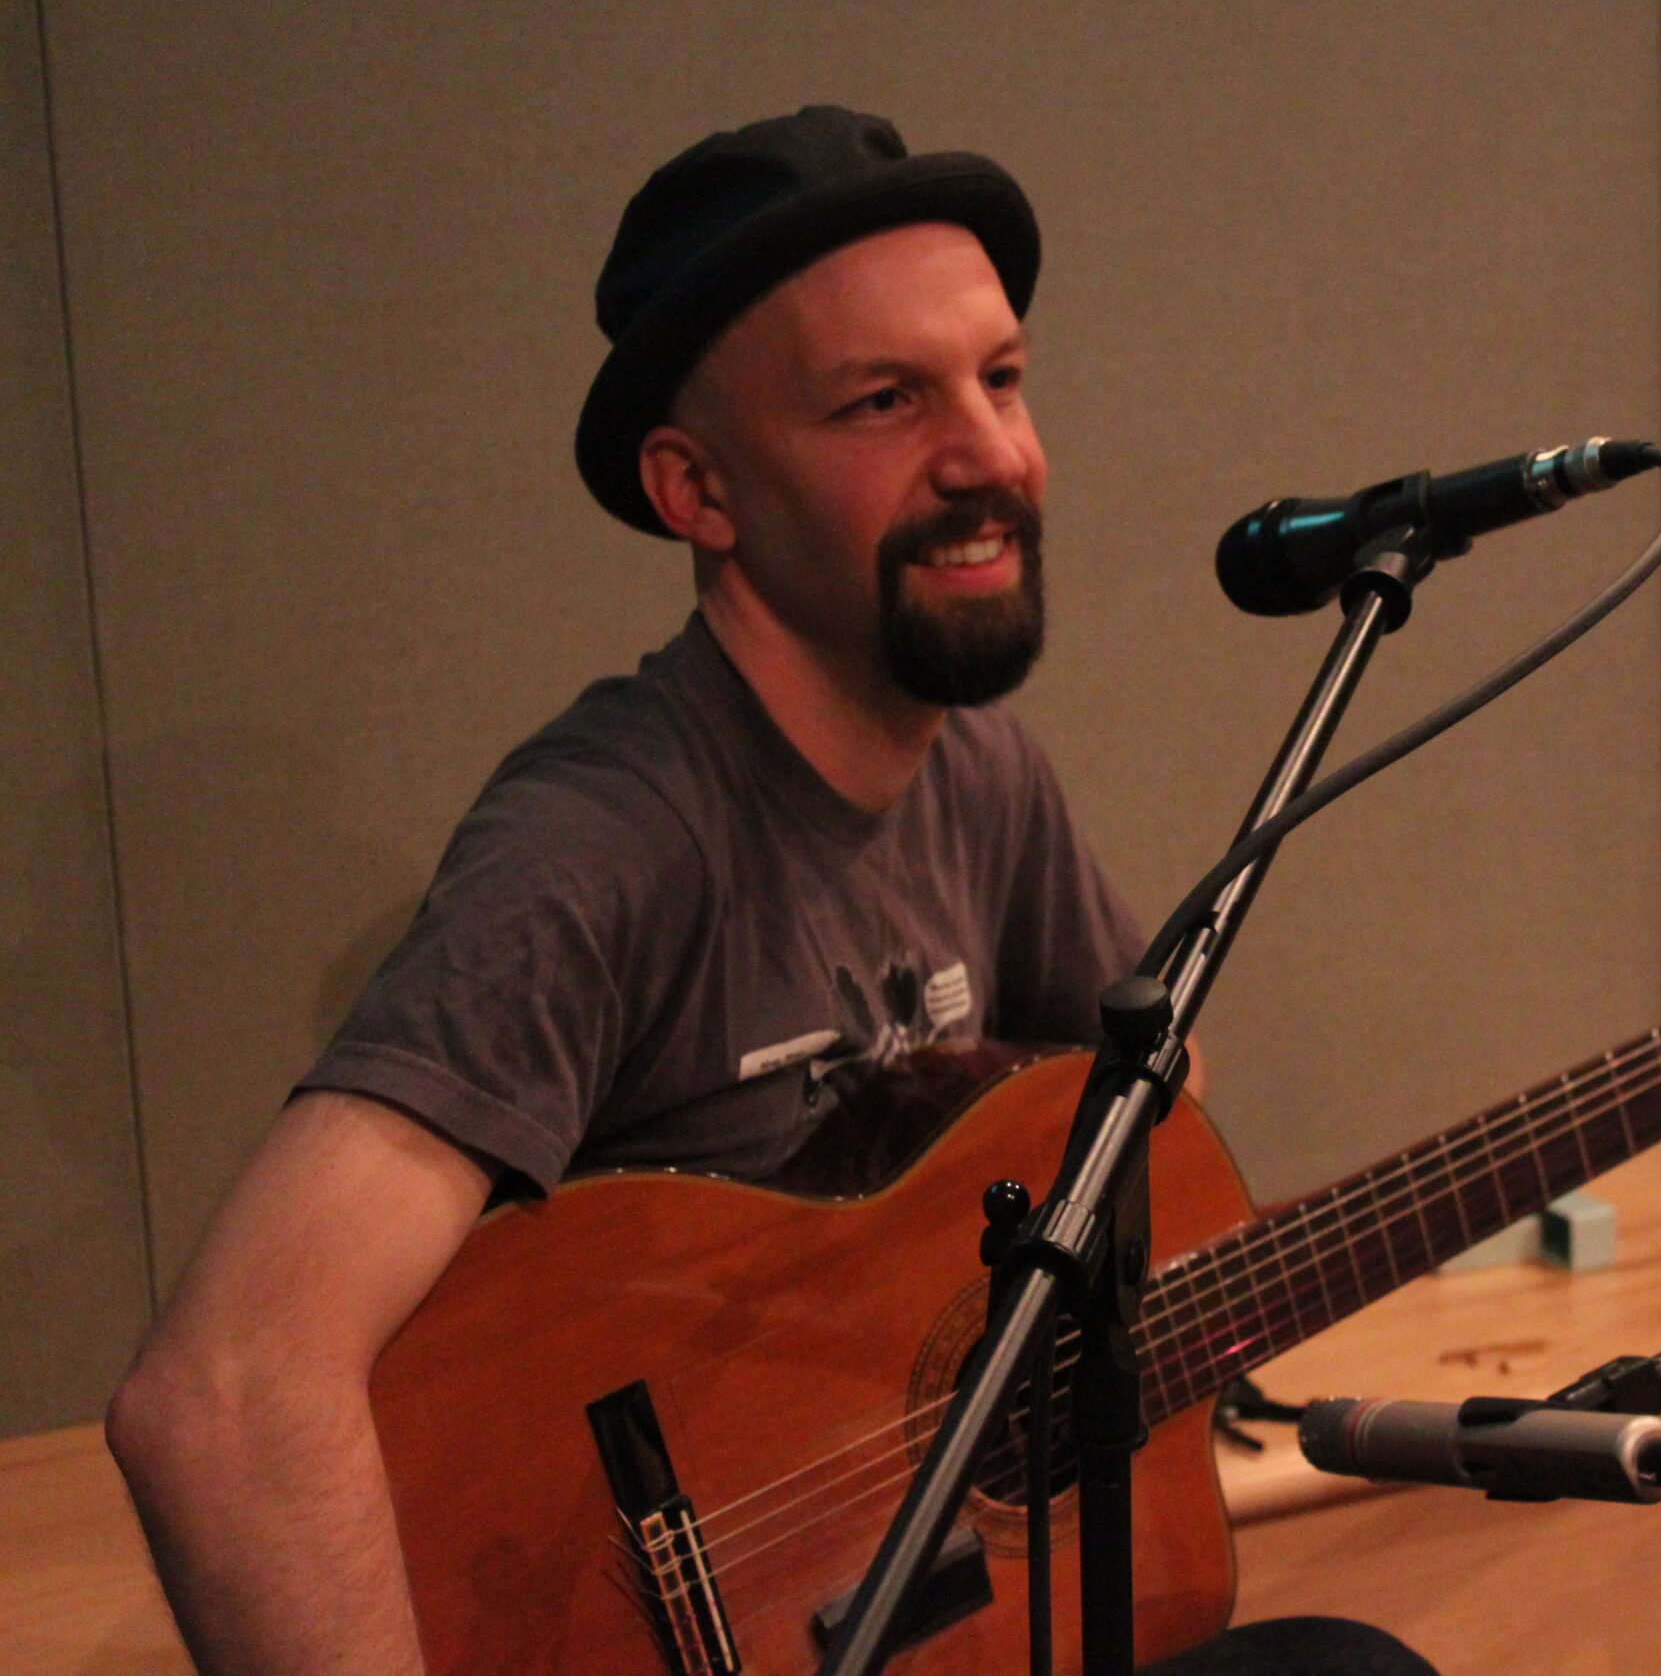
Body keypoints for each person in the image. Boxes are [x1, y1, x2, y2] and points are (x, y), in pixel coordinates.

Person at [105, 106, 1436, 1676]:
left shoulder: (983, 779)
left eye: (1000, 380)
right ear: (699, 491)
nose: (993, 457)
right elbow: (227, 1390)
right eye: (885, 402)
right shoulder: (600, 840)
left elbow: (1153, 1126)